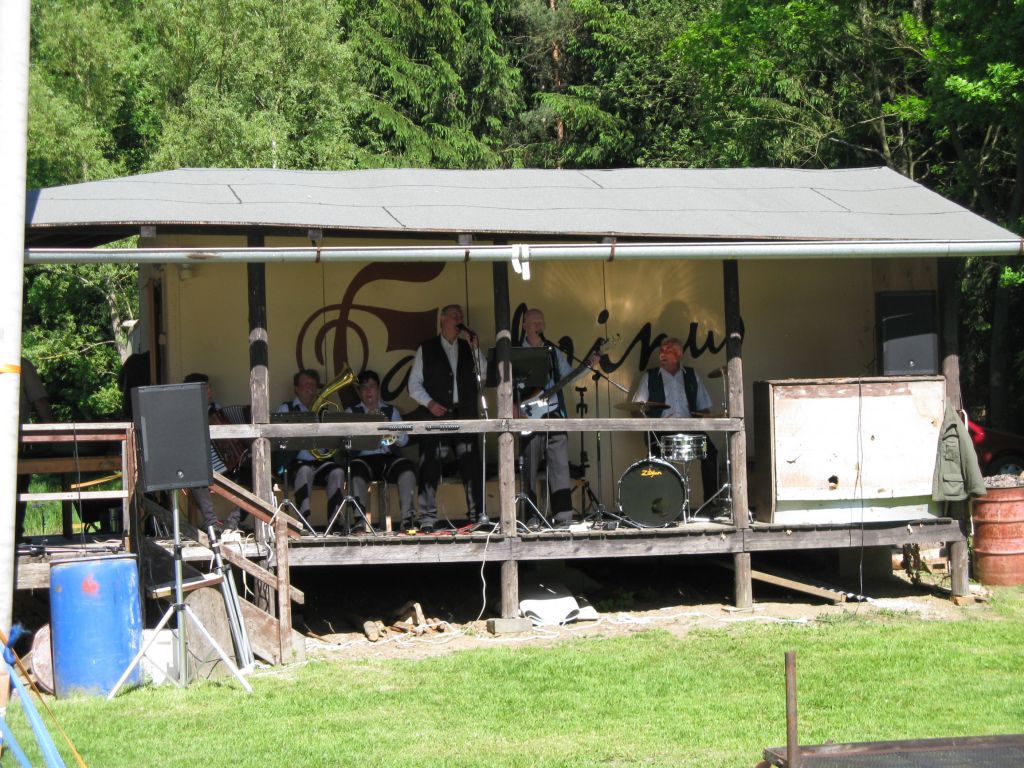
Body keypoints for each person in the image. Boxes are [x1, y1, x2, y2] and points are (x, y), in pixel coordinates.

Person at [408, 304, 487, 530]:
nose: (459, 319)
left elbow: (483, 375)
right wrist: (429, 403)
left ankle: (477, 517)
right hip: (437, 417)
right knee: (430, 466)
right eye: (454, 316)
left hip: (465, 415)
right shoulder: (427, 348)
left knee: (471, 466)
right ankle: (427, 519)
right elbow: (414, 384)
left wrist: (476, 349)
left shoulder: (467, 347)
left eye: (461, 316)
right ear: (443, 320)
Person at [632, 337, 719, 505]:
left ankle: (711, 503)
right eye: (661, 350)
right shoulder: (650, 377)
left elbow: (704, 409)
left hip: (690, 428)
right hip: (661, 431)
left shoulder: (691, 375)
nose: (662, 354)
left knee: (711, 453)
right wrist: (650, 424)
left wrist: (702, 417)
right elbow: (636, 409)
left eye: (668, 350)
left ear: (679, 354)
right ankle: (661, 506)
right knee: (657, 462)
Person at [516, 309, 579, 528]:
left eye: (541, 322)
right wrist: (514, 407)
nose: (538, 326)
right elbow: (504, 384)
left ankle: (563, 516)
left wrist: (590, 364)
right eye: (534, 322)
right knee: (529, 468)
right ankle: (531, 517)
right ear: (524, 326)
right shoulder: (516, 351)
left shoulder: (553, 351)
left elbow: (569, 376)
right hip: (528, 416)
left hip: (554, 413)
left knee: (560, 465)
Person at [345, 370, 418, 532]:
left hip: (387, 457)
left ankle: (408, 519)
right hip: (363, 459)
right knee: (355, 470)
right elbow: (346, 443)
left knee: (407, 468)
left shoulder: (391, 411)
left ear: (378, 389)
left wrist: (389, 429)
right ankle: (359, 521)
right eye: (364, 387)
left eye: (372, 386)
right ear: (359, 391)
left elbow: (404, 440)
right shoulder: (351, 412)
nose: (368, 391)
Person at [277, 369, 345, 531]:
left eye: (313, 385)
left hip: (322, 461)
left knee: (337, 472)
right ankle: (303, 521)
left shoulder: (324, 410)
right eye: (306, 384)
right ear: (296, 388)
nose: (311, 389)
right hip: (296, 463)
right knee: (305, 471)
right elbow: (279, 438)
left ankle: (335, 521)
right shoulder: (286, 408)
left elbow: (333, 441)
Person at [183, 373, 242, 537]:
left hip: (224, 466)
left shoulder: (217, 411)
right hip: (199, 468)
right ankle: (212, 524)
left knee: (255, 476)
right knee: (196, 476)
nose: (210, 391)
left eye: (209, 387)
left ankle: (233, 521)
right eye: (206, 388)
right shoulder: (185, 414)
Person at [16, 357, 52, 545]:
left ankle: (14, 534)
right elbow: (40, 401)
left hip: (15, 442)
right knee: (17, 485)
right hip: (14, 444)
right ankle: (14, 534)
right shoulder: (20, 363)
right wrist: (53, 432)